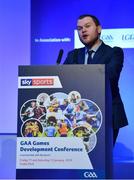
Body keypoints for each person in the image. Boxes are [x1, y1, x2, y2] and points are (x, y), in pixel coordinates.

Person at [64, 14, 128, 145]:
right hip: (78, 117)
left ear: (99, 29)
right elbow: (63, 80)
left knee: (101, 162)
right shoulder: (73, 55)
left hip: (108, 114)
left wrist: (79, 76)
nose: (83, 30)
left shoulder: (114, 53)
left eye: (87, 26)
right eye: (79, 28)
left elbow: (110, 75)